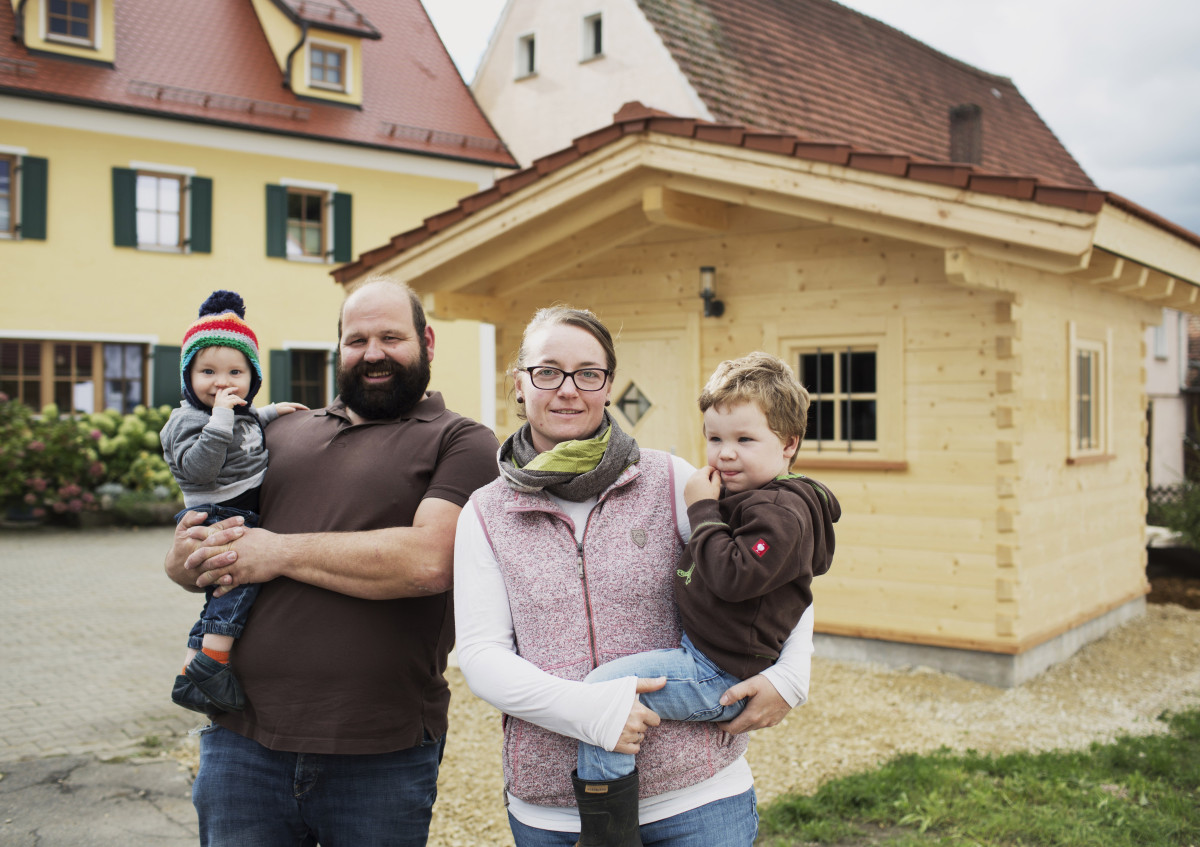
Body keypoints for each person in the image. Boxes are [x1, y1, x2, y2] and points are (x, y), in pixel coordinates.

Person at [454, 307, 822, 847]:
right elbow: (482, 657)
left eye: (588, 373)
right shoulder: (485, 513)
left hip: (698, 798)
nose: (567, 390)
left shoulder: (671, 478)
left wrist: (791, 675)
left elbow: (777, 566)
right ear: (520, 383)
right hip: (556, 813)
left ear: (607, 386)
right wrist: (595, 710)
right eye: (548, 371)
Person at [164, 275, 500, 847]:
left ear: (428, 343)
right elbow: (214, 541)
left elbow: (427, 562)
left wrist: (278, 552)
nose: (373, 353)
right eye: (356, 339)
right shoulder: (283, 430)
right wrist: (184, 560)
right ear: (337, 349)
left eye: (391, 337)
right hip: (241, 742)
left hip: (377, 754)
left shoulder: (461, 440)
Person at [574, 352, 839, 834]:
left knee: (604, 697)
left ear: (789, 444)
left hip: (718, 672)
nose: (724, 454)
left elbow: (734, 575)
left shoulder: (778, 511)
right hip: (711, 658)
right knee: (608, 697)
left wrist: (701, 510)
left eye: (744, 439)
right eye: (714, 438)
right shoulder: (761, 499)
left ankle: (605, 835)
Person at [160, 290, 306, 716]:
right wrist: (221, 417)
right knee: (236, 585)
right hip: (221, 511)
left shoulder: (233, 412)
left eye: (235, 372)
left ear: (252, 378)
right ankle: (214, 664)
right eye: (207, 371)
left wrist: (273, 412)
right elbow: (199, 468)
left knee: (219, 594)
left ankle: (190, 676)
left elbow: (247, 426)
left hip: (240, 508)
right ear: (188, 376)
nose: (222, 382)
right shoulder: (186, 420)